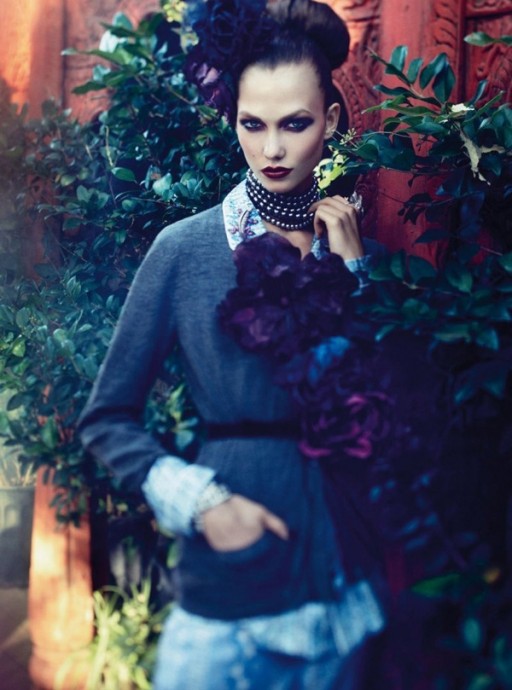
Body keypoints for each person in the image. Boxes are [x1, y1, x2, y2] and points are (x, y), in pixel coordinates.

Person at [78, 1, 386, 688]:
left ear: (331, 120)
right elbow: (106, 419)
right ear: (233, 121)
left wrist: (354, 272)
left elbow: (379, 408)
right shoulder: (184, 249)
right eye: (253, 124)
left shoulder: (355, 251)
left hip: (342, 579)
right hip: (232, 586)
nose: (273, 149)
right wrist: (203, 505)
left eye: (295, 123)